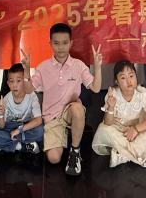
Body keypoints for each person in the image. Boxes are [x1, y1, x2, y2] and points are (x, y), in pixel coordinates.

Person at [23, 23, 103, 176]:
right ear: (50, 44)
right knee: (54, 159)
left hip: (70, 112)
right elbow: (28, 89)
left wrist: (98, 67)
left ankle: (75, 151)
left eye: (65, 43)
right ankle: (62, 135)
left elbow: (96, 88)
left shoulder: (78, 65)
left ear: (71, 43)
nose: (61, 47)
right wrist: (26, 71)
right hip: (52, 117)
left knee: (77, 108)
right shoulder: (43, 67)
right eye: (56, 43)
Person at [92, 60, 146, 168]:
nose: (129, 81)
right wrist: (110, 107)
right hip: (119, 128)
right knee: (104, 129)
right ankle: (136, 151)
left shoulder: (142, 93)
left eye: (131, 76)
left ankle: (124, 154)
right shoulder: (113, 94)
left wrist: (136, 129)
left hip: (138, 127)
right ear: (116, 81)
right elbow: (108, 123)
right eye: (123, 78)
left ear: (136, 77)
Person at [0, 63, 44, 154]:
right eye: (11, 81)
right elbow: (1, 126)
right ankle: (21, 146)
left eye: (18, 81)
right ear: (8, 83)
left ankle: (3, 143)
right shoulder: (6, 100)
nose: (14, 85)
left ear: (24, 82)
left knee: (41, 130)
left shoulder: (32, 96)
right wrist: (1, 114)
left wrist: (19, 130)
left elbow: (38, 120)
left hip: (25, 127)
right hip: (10, 127)